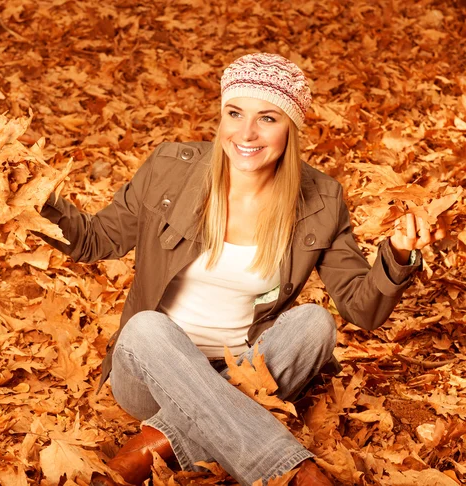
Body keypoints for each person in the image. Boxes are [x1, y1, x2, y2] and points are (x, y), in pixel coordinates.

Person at [38, 53, 445, 486]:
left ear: (291, 127)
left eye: (267, 118)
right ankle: (295, 471)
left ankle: (151, 448)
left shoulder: (321, 198)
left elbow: (361, 310)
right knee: (145, 328)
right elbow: (93, 239)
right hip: (150, 373)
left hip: (249, 369)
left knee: (316, 323)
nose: (246, 133)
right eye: (235, 113)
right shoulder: (170, 169)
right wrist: (35, 199)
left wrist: (399, 253)